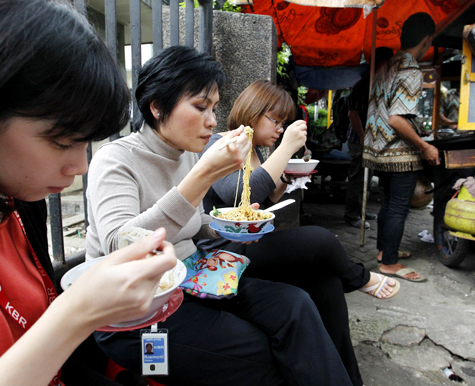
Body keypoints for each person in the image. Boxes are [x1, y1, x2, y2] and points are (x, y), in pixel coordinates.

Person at [85, 45, 353, 386]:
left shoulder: (185, 154)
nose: (212, 120)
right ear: (156, 106)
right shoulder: (116, 159)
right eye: (200, 107)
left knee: (296, 304)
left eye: (213, 107)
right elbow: (118, 247)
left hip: (193, 280)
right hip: (135, 312)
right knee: (262, 352)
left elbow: (192, 225)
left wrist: (230, 225)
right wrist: (203, 177)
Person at [0, 1, 178, 385]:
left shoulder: (17, 203)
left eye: (85, 142)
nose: (80, 167)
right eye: (61, 140)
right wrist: (78, 311)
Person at [199, 79, 402, 386]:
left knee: (326, 283)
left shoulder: (255, 151)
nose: (280, 129)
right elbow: (236, 193)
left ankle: (348, 378)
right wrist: (285, 148)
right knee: (320, 239)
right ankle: (359, 277)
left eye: (283, 123)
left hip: (250, 244)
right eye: (275, 120)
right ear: (252, 112)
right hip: (221, 252)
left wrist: (286, 177)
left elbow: (261, 202)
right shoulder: (222, 142)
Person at [362, 12, 441, 282]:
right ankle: (390, 264)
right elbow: (397, 119)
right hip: (398, 152)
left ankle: (386, 252)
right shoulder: (410, 69)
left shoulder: (387, 65)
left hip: (378, 149)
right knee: (399, 207)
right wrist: (424, 146)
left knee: (389, 203)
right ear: (428, 39)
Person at [344, 47, 394, 229]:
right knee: (358, 178)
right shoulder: (362, 85)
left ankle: (361, 210)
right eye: (386, 63)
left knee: (367, 178)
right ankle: (352, 215)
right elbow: (353, 114)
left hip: (372, 139)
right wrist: (363, 138)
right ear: (376, 63)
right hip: (359, 140)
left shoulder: (380, 85)